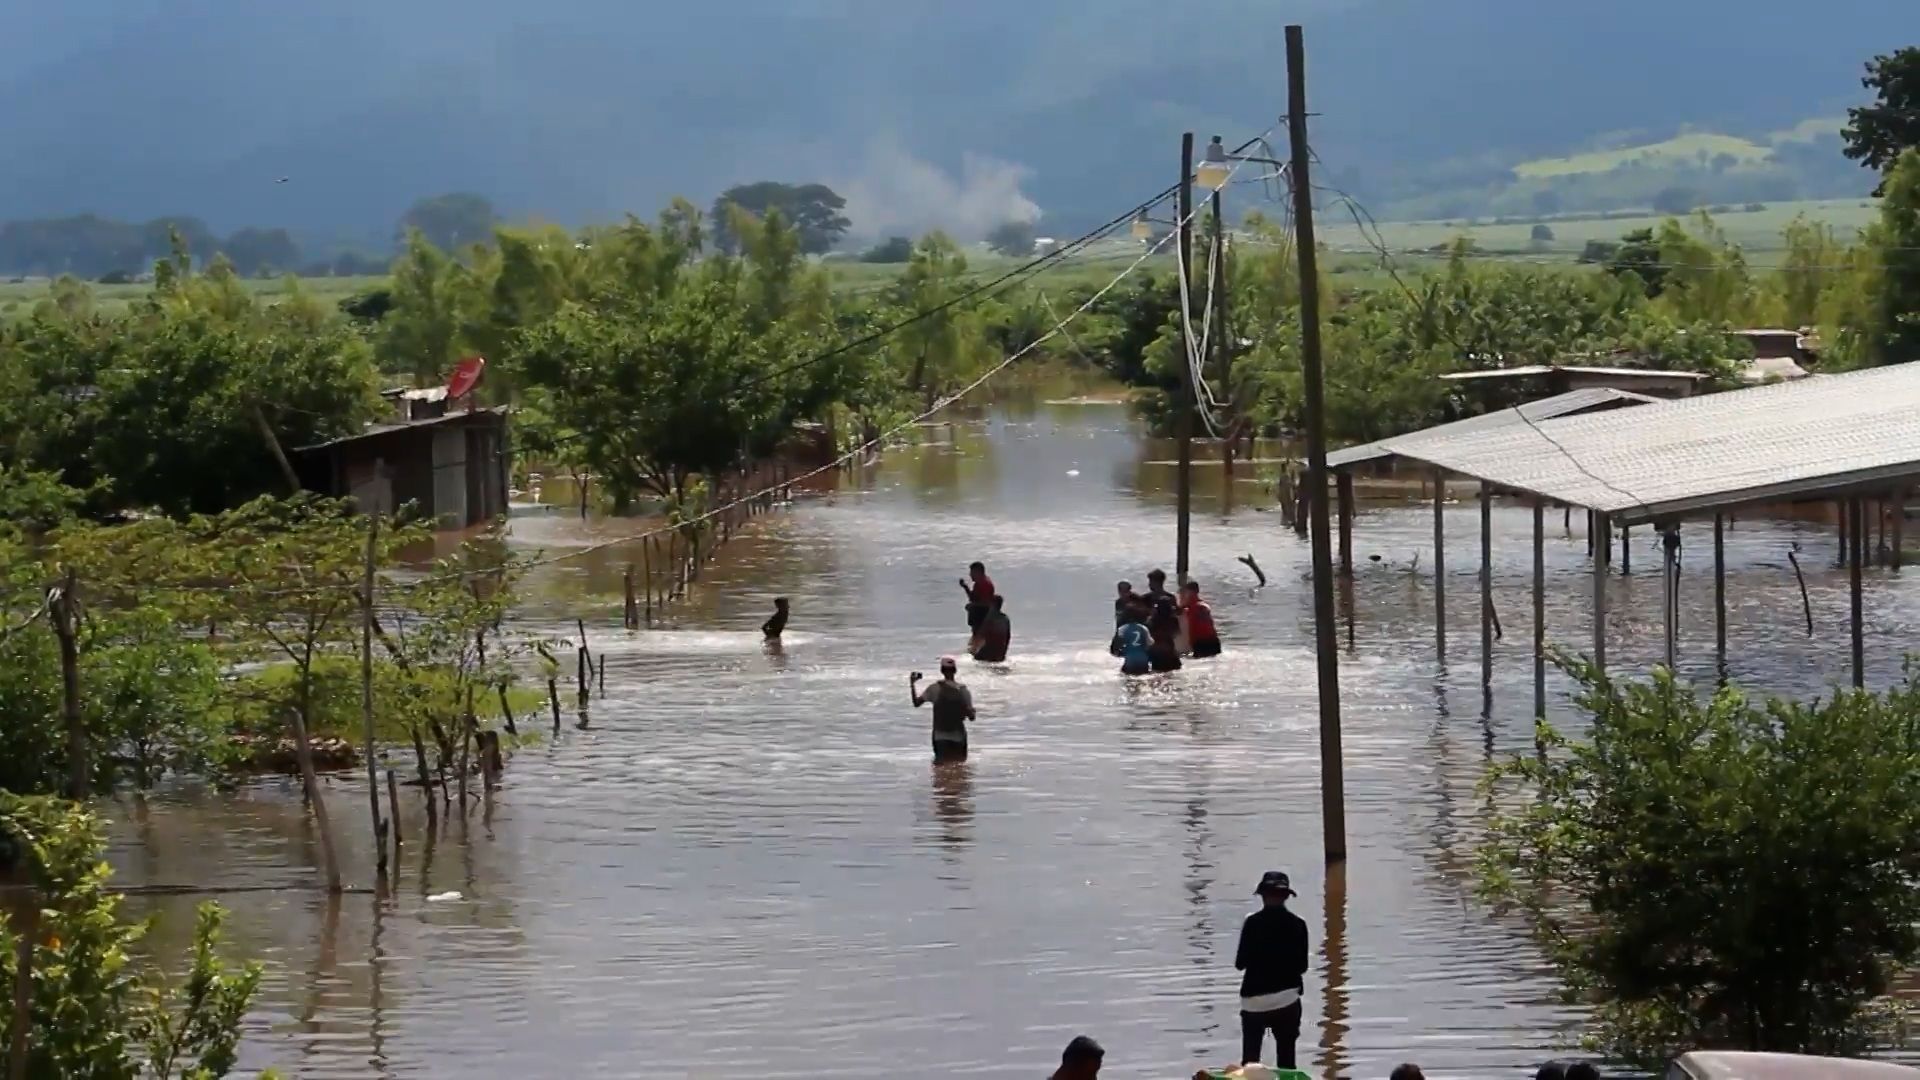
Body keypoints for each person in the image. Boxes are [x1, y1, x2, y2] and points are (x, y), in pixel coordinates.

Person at [1236, 870, 1308, 1069]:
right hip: (1287, 1001)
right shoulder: (1298, 925)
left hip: (1254, 1003)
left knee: (1250, 1064)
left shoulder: (1252, 923)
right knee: (1286, 1062)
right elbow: (1303, 967)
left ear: (1262, 896)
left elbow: (1240, 963)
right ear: (1286, 897)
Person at [911, 657, 975, 763]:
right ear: (955, 670)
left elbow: (916, 703)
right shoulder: (963, 691)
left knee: (940, 772)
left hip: (939, 736)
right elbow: (972, 718)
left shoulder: (934, 688)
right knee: (960, 771)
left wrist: (912, 684)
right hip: (958, 736)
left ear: (941, 670)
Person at [1180, 581, 1221, 658]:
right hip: (1213, 640)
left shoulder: (1189, 606)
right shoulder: (1205, 605)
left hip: (1200, 641)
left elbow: (1178, 610)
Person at [1147, 593, 1183, 672]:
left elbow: (1149, 635)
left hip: (1156, 653)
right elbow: (1177, 633)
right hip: (1170, 651)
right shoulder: (1173, 620)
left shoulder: (1152, 620)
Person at [1115, 601, 1153, 675]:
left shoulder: (1122, 629)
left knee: (1127, 679)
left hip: (1130, 659)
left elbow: (1117, 646)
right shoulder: (1143, 628)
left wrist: (1122, 652)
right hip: (1143, 659)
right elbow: (1150, 644)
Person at [958, 561, 996, 636]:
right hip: (978, 618)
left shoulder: (985, 584)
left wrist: (972, 606)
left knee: (979, 639)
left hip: (983, 618)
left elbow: (986, 603)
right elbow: (973, 598)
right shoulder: (978, 584)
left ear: (978, 572)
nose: (970, 575)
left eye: (972, 572)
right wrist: (965, 587)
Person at [972, 594, 1011, 662]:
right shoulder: (1005, 618)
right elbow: (1008, 637)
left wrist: (974, 648)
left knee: (975, 658)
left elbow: (981, 634)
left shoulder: (990, 619)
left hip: (990, 649)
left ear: (993, 604)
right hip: (1001, 650)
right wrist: (1004, 651)